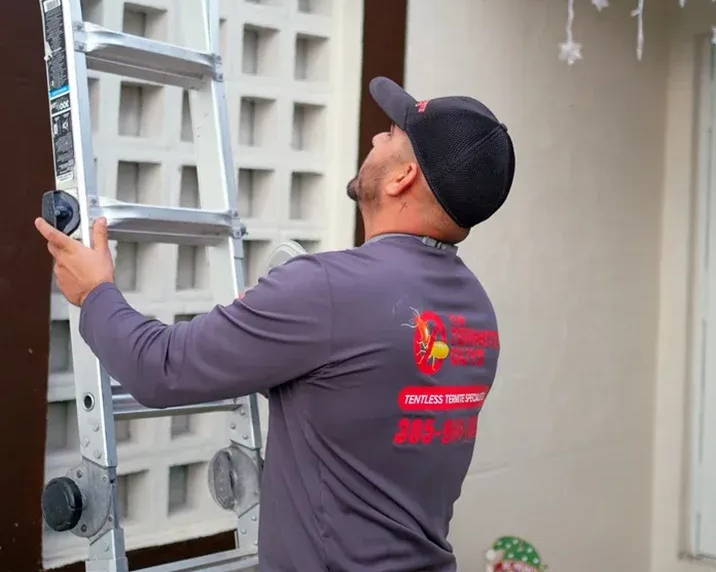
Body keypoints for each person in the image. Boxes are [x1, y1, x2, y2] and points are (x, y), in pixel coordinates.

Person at [35, 75, 516, 572]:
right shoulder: (475, 310)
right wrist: (272, 340)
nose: (375, 139)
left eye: (391, 133)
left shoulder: (329, 289)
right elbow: (357, 401)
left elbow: (159, 369)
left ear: (403, 178)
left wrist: (94, 293)